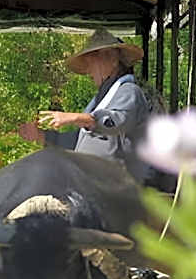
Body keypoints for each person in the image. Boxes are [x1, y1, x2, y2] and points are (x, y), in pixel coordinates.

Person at [19, 28, 155, 185]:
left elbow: (115, 122)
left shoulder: (129, 91)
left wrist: (77, 118)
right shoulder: (101, 99)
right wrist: (41, 135)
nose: (89, 72)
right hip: (93, 183)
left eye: (91, 64)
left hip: (117, 188)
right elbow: (78, 140)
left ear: (112, 60)